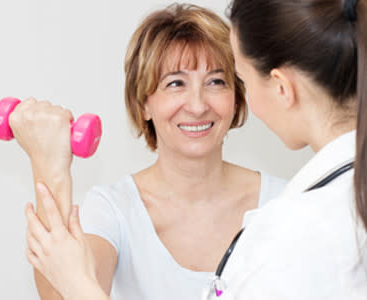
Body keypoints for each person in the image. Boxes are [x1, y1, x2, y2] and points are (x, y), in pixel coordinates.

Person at [22, 0, 367, 299]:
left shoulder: (285, 211)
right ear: (144, 103)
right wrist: (49, 165)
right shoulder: (114, 208)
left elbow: (74, 283)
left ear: (238, 96)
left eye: (217, 81)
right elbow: (60, 291)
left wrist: (74, 282)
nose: (198, 105)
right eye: (175, 83)